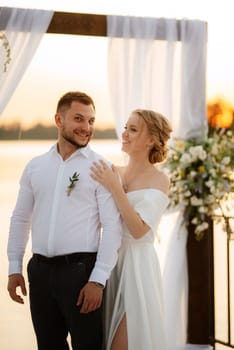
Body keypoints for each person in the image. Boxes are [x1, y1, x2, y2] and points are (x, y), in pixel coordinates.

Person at [7, 91, 122, 350]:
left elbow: (113, 227)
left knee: (88, 346)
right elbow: (20, 218)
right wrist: (14, 266)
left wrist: (98, 279)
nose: (86, 127)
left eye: (91, 121)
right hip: (39, 271)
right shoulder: (35, 166)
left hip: (80, 274)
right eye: (79, 119)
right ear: (59, 119)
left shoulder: (100, 167)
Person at [90, 108, 172, 350]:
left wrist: (116, 188)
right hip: (109, 263)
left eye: (133, 129)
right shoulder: (113, 171)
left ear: (152, 140)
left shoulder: (160, 179)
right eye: (125, 127)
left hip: (138, 268)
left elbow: (139, 230)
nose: (124, 133)